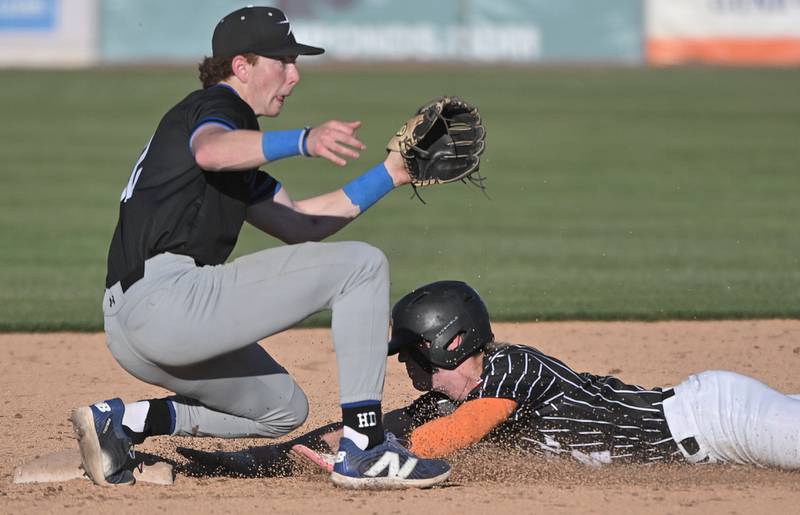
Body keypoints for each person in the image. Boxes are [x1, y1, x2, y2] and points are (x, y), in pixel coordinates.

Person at [69, 6, 450, 490]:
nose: (294, 75)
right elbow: (211, 149)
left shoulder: (231, 151)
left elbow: (303, 223)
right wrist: (305, 140)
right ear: (241, 66)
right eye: (283, 61)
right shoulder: (221, 107)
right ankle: (365, 446)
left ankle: (121, 422)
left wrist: (392, 173)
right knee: (364, 265)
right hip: (167, 301)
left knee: (282, 409)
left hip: (137, 327)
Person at [180, 280, 800, 475]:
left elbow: (442, 442)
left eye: (412, 357)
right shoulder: (451, 402)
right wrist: (261, 459)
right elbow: (364, 429)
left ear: (447, 346)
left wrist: (368, 461)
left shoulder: (509, 368)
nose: (408, 371)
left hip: (715, 419)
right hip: (703, 442)